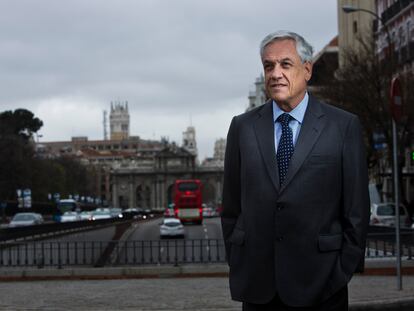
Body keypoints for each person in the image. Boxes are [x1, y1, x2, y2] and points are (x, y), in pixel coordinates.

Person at [221, 30, 370, 311]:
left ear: (307, 69)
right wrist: (239, 259)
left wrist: (341, 272)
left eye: (285, 64)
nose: (275, 73)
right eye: (268, 66)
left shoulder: (342, 127)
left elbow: (356, 212)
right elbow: (231, 208)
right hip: (259, 287)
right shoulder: (242, 127)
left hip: (323, 286)